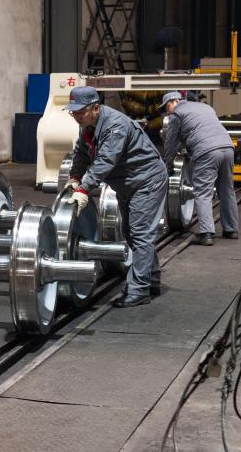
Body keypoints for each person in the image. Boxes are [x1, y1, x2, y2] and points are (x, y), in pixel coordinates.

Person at [65, 86, 169, 308]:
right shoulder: (88, 127)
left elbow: (105, 160)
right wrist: (75, 177)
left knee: (140, 234)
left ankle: (139, 290)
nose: (76, 116)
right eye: (73, 112)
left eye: (80, 112)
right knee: (131, 232)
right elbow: (82, 152)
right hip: (127, 183)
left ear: (95, 108)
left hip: (147, 181)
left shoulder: (115, 125)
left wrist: (84, 189)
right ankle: (151, 280)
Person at [159, 91, 239, 246]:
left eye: (167, 107)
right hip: (228, 148)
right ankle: (231, 230)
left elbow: (170, 142)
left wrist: (168, 165)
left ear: (174, 102)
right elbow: (201, 129)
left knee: (202, 192)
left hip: (207, 151)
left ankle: (206, 234)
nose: (167, 112)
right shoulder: (205, 107)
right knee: (227, 190)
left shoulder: (177, 114)